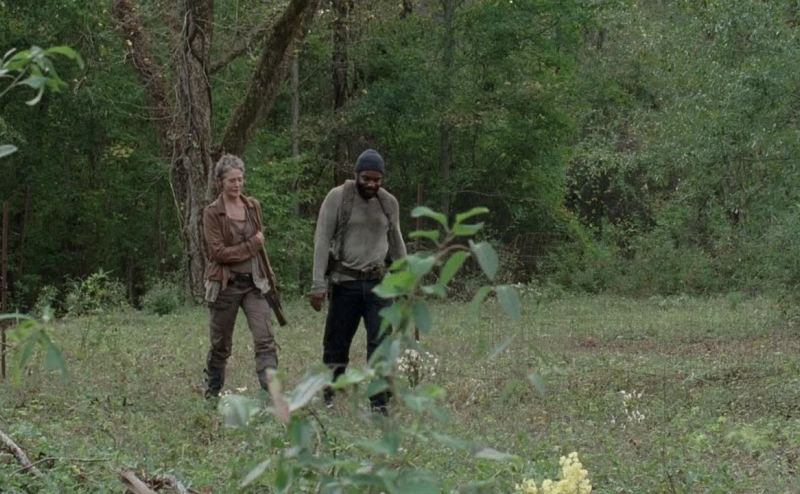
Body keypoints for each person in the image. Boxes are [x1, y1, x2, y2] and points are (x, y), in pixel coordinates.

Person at [310, 148, 406, 412]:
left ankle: (379, 403)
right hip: (345, 283)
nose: (372, 184)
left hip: (379, 284)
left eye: (377, 179)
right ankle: (331, 395)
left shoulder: (389, 203)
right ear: (356, 175)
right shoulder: (338, 197)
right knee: (336, 343)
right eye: (366, 179)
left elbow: (397, 243)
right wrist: (318, 284)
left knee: (381, 344)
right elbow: (322, 241)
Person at [202, 154, 282, 400]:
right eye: (231, 180)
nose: (237, 185)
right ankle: (212, 393)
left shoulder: (252, 206)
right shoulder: (212, 213)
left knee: (265, 339)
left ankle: (272, 395)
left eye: (240, 179)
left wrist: (268, 275)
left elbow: (260, 245)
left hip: (255, 284)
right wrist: (251, 245)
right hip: (226, 285)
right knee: (221, 344)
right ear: (220, 182)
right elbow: (218, 253)